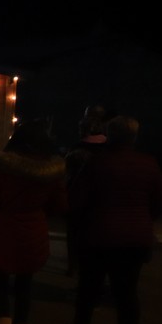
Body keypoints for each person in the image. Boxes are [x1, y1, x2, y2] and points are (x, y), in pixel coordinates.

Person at [66, 115, 162, 324]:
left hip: (98, 236)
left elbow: (77, 200)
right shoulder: (148, 163)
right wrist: (142, 220)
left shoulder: (97, 163)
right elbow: (160, 203)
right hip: (134, 239)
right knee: (127, 292)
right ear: (134, 137)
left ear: (109, 135)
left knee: (89, 287)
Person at [0, 119, 67, 324]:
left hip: (6, 228)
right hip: (34, 229)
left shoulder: (5, 167)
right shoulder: (53, 172)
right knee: (25, 284)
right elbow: (60, 205)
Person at [63, 106, 108, 276]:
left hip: (76, 196)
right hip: (101, 198)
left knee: (74, 233)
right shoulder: (108, 150)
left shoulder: (76, 150)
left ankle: (73, 265)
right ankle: (94, 267)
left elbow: (66, 174)